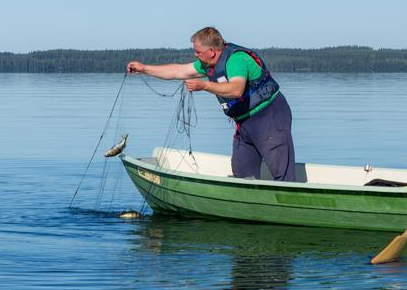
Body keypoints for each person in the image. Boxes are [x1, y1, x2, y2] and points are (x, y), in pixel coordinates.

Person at [126, 27, 297, 182]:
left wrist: (204, 85)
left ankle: (290, 209)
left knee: (281, 171)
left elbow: (236, 90)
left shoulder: (236, 60)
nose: (195, 55)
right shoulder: (208, 63)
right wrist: (144, 68)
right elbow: (178, 71)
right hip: (244, 123)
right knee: (242, 172)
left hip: (268, 117)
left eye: (198, 51)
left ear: (212, 51)